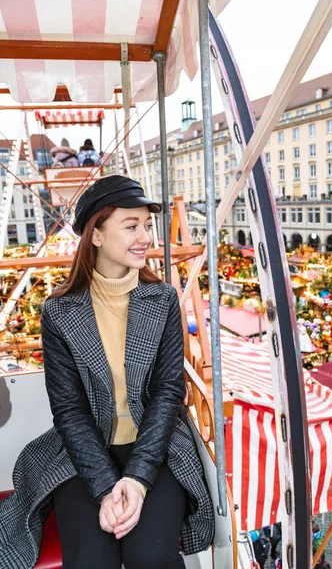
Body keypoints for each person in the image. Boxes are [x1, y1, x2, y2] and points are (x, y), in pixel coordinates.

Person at [0, 176, 214, 569]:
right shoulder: (60, 313)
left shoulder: (163, 300)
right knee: (89, 560)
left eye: (147, 225)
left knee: (151, 557)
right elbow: (69, 410)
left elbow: (168, 393)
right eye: (131, 226)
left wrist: (136, 479)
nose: (145, 236)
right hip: (85, 452)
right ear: (96, 235)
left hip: (156, 448)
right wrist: (104, 489)